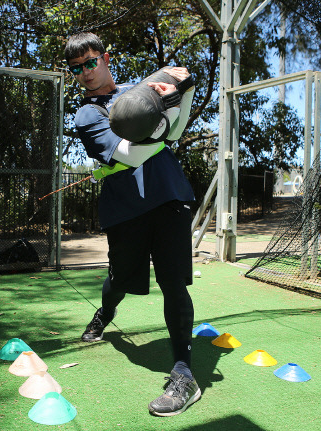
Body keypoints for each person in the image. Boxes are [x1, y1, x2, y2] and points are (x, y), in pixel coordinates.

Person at [64, 32, 200, 417]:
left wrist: (182, 92)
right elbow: (127, 155)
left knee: (174, 282)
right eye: (77, 69)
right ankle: (105, 313)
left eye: (91, 63)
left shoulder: (138, 92)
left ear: (106, 58)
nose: (86, 73)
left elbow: (175, 131)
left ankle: (184, 372)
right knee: (120, 279)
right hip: (125, 210)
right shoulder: (88, 115)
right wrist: (163, 125)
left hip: (169, 197)